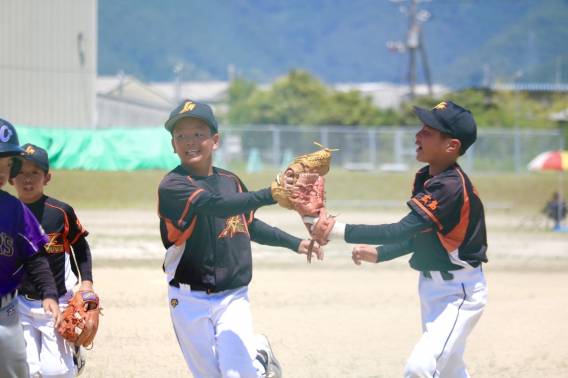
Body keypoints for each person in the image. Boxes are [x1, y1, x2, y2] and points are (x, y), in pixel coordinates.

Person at [305, 101, 488, 377]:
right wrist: (381, 254)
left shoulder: (450, 187)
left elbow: (400, 230)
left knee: (420, 369)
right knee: (449, 371)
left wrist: (334, 229)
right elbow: (421, 235)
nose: (418, 135)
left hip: (458, 293)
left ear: (451, 146)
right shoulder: (429, 177)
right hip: (433, 289)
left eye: (428, 131)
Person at [158, 99, 322, 378]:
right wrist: (270, 194)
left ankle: (257, 359)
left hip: (233, 295)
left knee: (238, 375)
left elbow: (247, 224)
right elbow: (215, 204)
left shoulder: (231, 181)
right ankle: (259, 361)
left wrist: (296, 243)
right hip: (188, 299)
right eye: (181, 135)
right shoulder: (172, 185)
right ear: (173, 145)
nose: (190, 141)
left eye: (199, 133)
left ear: (215, 140)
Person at [9, 143, 92, 377]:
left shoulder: (60, 211)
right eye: (21, 172)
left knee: (56, 371)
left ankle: (73, 357)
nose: (27, 178)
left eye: (35, 172)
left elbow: (80, 245)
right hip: (19, 303)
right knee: (26, 369)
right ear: (11, 178)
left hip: (58, 302)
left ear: (47, 178)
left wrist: (87, 282)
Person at [0, 119, 62, 378]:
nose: (2, 171)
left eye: (7, 164)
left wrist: (49, 293)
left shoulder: (13, 208)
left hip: (5, 311)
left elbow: (35, 257)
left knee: (15, 370)